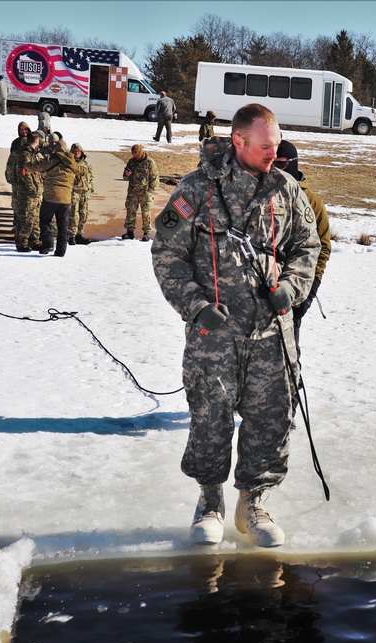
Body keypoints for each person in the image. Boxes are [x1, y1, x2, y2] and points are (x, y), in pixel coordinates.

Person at [151, 103, 319, 548]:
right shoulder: (195, 189)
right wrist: (195, 306)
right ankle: (209, 501)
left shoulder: (286, 189)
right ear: (239, 142)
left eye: (277, 144)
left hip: (271, 335)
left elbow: (309, 243)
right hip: (215, 336)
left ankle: (253, 502)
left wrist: (294, 286)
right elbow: (166, 254)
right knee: (210, 416)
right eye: (265, 146)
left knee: (270, 419)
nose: (274, 153)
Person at [274, 140, 331, 375]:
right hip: (262, 291)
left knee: (287, 353)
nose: (276, 169)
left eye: (282, 164)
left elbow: (322, 248)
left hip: (295, 291)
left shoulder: (311, 202)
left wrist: (310, 289)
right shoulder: (263, 194)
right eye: (272, 163)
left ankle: (292, 399)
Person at [30, 138, 82, 256]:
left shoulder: (51, 159)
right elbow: (82, 171)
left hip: (51, 197)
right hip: (65, 199)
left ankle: (48, 244)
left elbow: (37, 166)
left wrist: (25, 164)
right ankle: (61, 251)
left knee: (44, 220)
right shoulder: (72, 161)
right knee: (63, 226)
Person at [6, 130, 43, 252]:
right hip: (27, 193)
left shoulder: (33, 154)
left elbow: (9, 175)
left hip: (34, 192)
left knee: (35, 218)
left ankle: (33, 241)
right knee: (26, 218)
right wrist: (31, 188)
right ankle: (22, 242)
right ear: (36, 141)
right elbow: (23, 174)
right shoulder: (25, 155)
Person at [121, 143, 158, 241]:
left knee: (146, 213)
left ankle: (146, 232)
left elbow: (155, 178)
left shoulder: (149, 162)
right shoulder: (131, 162)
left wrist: (149, 190)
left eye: (136, 153)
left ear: (141, 151)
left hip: (145, 193)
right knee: (130, 212)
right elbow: (124, 177)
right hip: (133, 192)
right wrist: (127, 174)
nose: (135, 155)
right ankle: (129, 232)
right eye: (133, 153)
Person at [68, 143, 94, 245]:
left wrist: (90, 187)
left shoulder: (86, 164)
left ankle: (79, 234)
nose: (77, 153)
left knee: (83, 214)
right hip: (74, 192)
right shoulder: (70, 163)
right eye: (75, 151)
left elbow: (91, 177)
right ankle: (71, 236)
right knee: (74, 214)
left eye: (78, 151)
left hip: (85, 192)